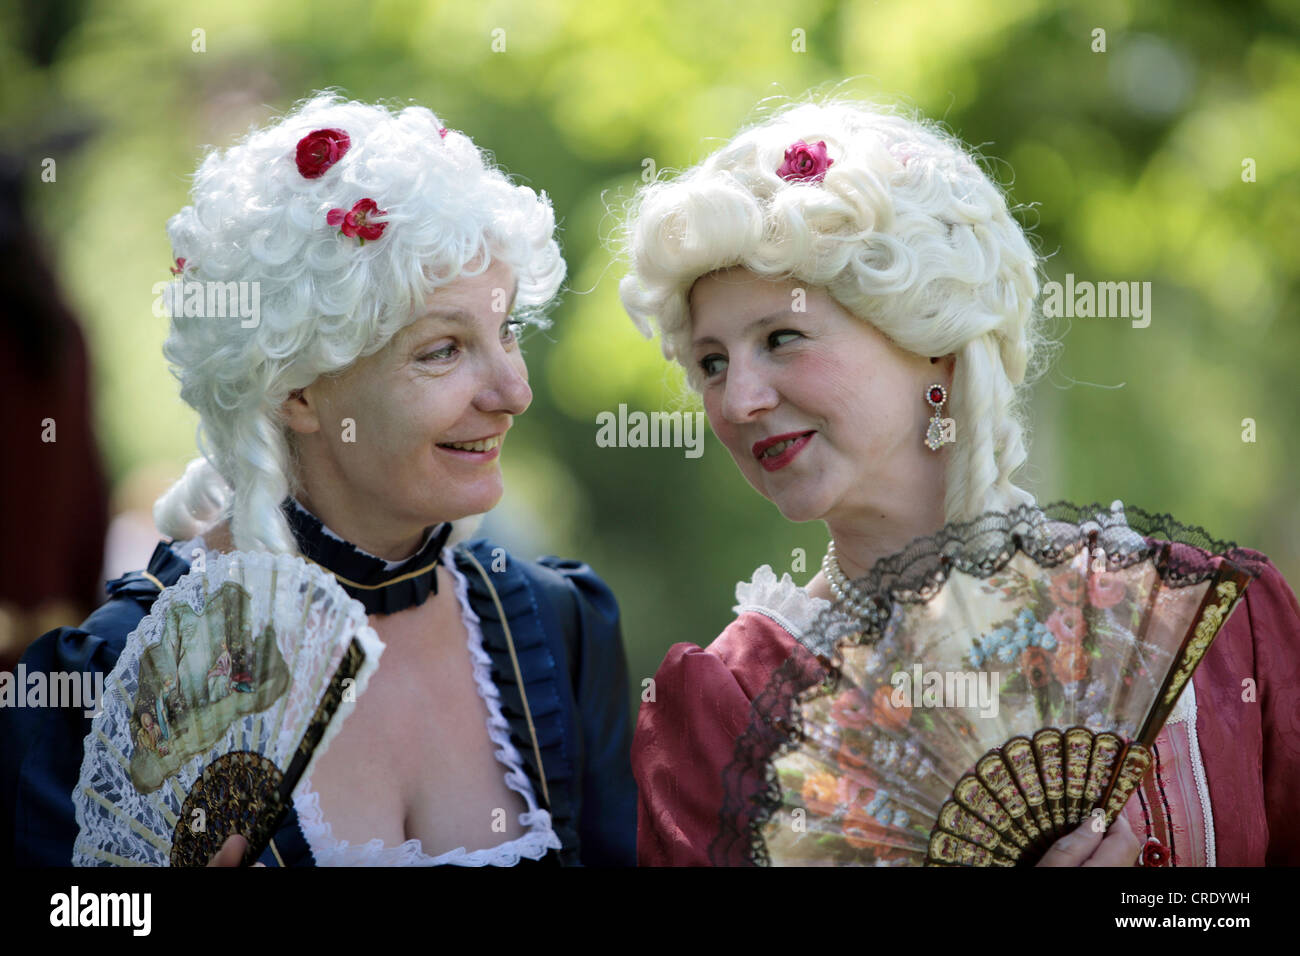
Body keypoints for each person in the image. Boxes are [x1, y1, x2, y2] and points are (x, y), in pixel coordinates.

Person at [618, 98, 1300, 866]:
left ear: (935, 349)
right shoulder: (731, 705)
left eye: (782, 338)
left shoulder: (1215, 635)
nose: (739, 400)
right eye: (712, 362)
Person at [0, 92, 636, 867]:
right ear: (296, 391)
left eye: (506, 333)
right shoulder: (112, 678)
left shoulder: (559, 630)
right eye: (442, 350)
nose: (513, 391)